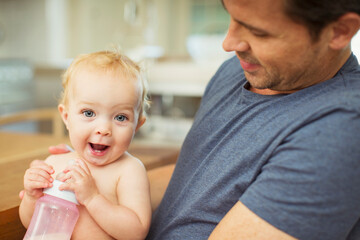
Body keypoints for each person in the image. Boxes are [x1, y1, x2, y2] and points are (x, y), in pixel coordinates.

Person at [28, 0, 360, 239]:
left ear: (340, 31)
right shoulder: (242, 69)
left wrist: (87, 204)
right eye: (230, 14)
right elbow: (200, 176)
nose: (228, 43)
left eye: (259, 32)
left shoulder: (341, 131)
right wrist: (86, 179)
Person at [19, 51, 152, 239]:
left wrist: (93, 198)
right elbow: (31, 224)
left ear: (137, 125)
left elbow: (136, 231)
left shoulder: (129, 171)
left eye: (120, 117)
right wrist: (32, 198)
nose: (104, 129)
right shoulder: (55, 164)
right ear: (66, 117)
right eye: (89, 113)